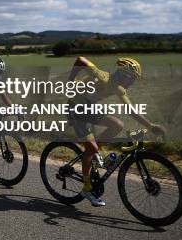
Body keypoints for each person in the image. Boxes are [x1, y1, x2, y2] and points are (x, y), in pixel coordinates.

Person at [67, 56, 165, 207]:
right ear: (123, 75)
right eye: (132, 78)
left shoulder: (119, 89)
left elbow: (131, 111)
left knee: (117, 125)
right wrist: (70, 81)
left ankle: (94, 152)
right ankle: (87, 188)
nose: (132, 82)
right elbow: (80, 60)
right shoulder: (102, 76)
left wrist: (151, 126)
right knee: (90, 148)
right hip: (74, 108)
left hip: (88, 108)